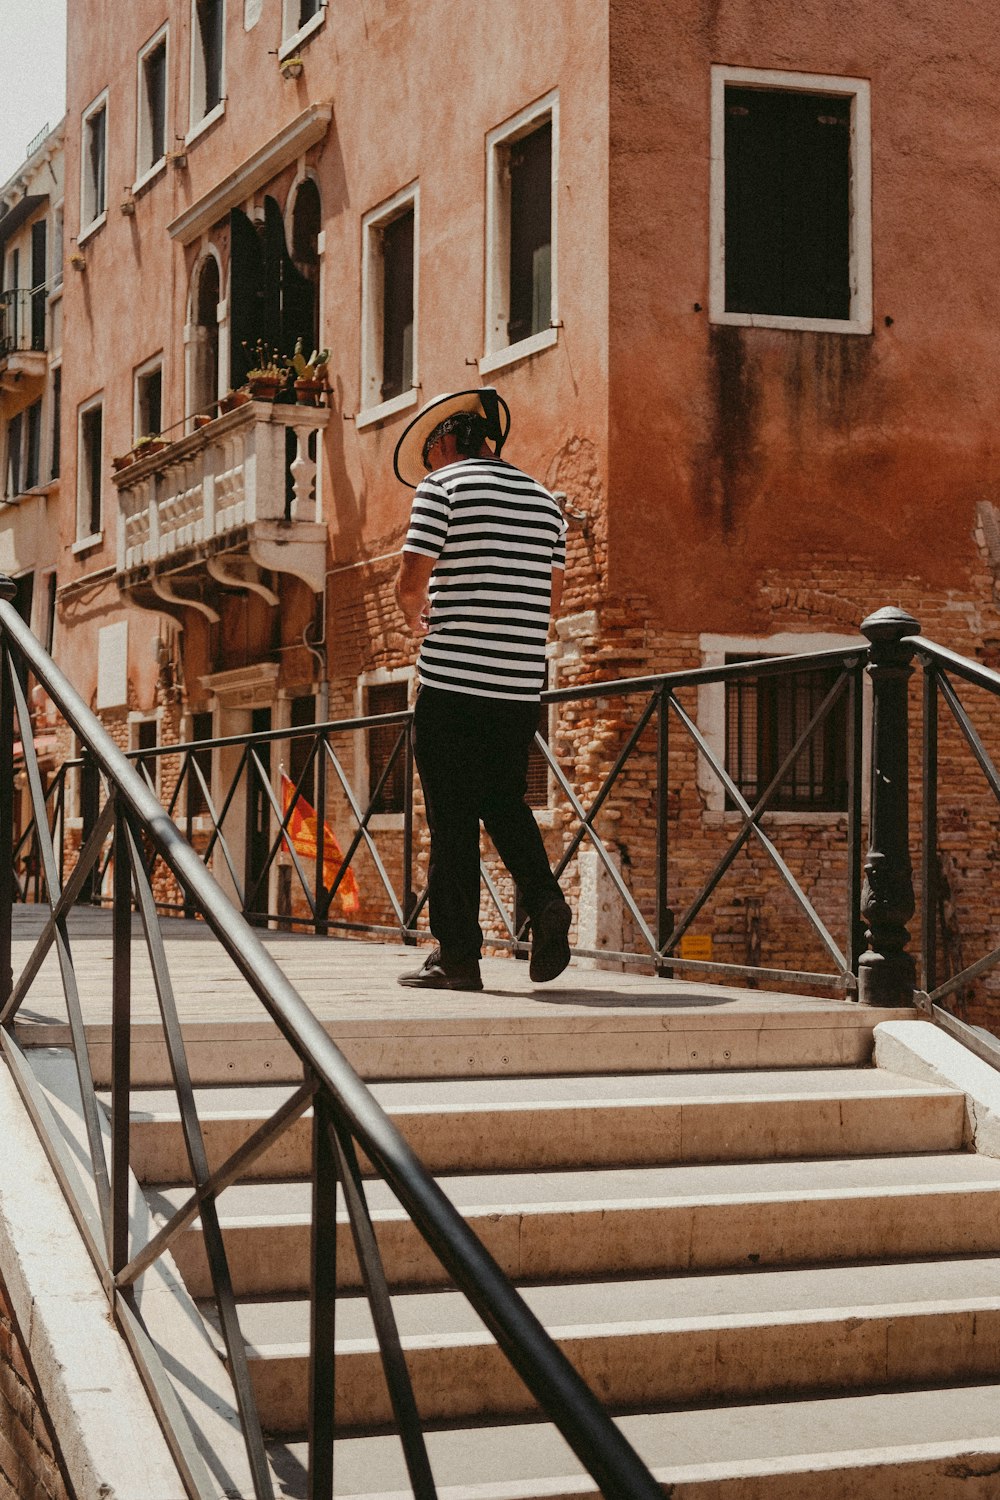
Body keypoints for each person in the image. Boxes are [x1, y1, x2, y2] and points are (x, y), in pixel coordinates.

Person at [392, 386, 572, 991]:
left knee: (451, 818)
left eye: (432, 454)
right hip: (519, 684)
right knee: (504, 802)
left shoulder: (439, 490)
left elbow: (410, 581)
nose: (432, 466)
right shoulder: (548, 504)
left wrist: (419, 617)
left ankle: (457, 959)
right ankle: (547, 903)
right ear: (490, 443)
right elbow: (552, 602)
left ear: (446, 444)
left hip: (452, 679)